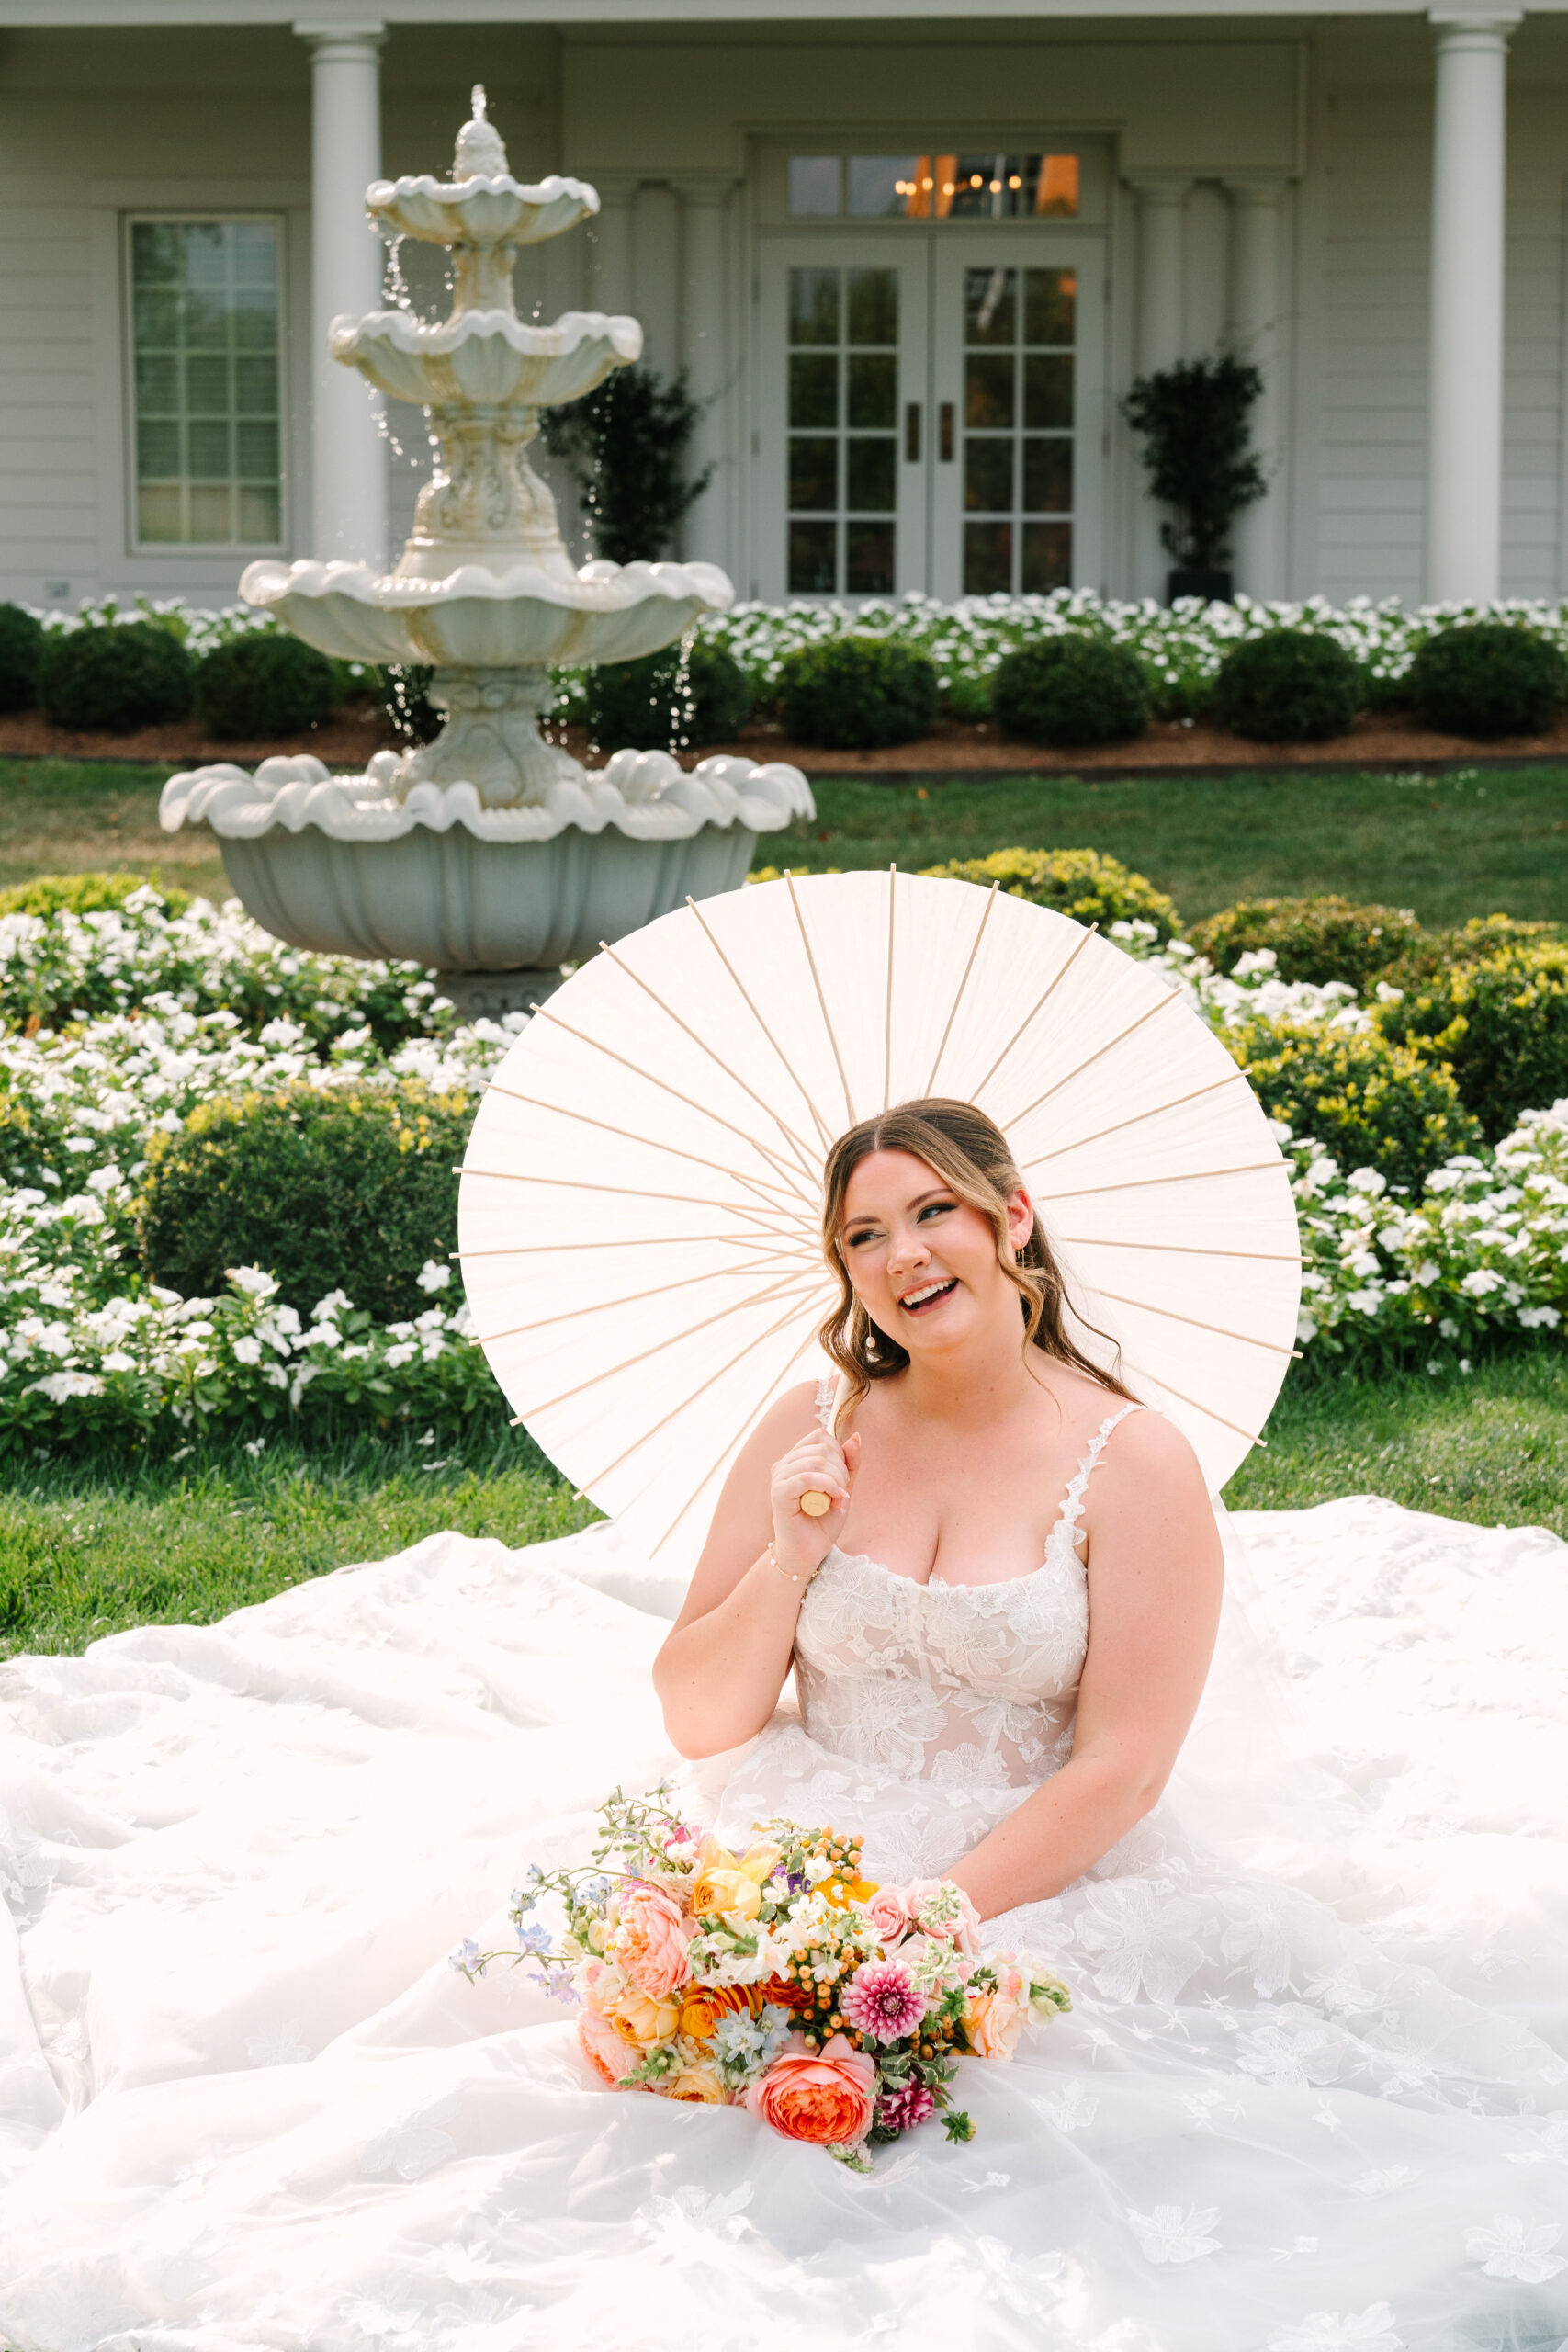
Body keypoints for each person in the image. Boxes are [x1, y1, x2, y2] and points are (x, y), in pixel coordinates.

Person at [2, 1101, 1565, 2352]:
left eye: (933, 1211)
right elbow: (698, 1706)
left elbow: (1123, 1764)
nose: (902, 1256)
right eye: (864, 1236)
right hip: (786, 1824)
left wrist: (921, 1932)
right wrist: (795, 1551)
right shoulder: (812, 1424)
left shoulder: (1133, 1463)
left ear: (1010, 1218)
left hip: (1025, 1868)